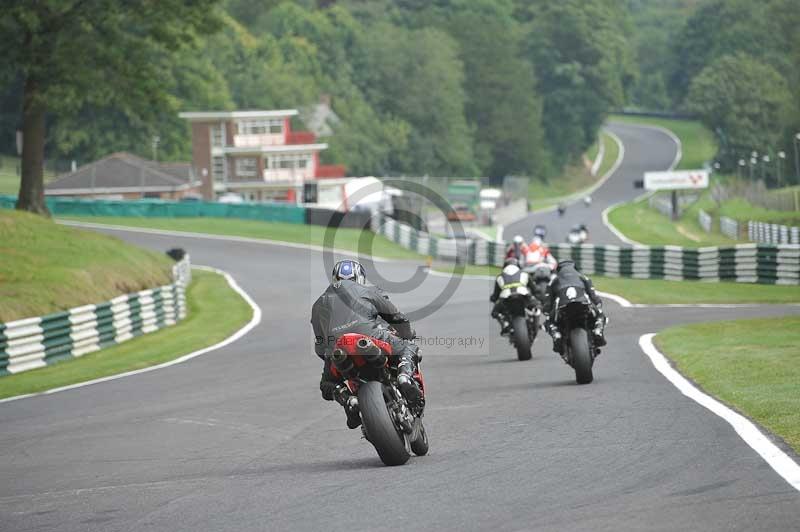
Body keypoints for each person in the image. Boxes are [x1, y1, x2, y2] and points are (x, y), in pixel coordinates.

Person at [311, 260, 421, 429]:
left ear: (334, 278)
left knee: (327, 384)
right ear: (360, 277)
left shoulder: (318, 304)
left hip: (338, 347)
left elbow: (320, 344)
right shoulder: (369, 291)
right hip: (370, 336)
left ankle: (349, 400)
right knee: (408, 348)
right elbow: (396, 316)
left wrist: (328, 358)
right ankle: (404, 376)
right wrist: (406, 334)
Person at [544, 260, 607, 352]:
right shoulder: (583, 277)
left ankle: (556, 334)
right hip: (583, 303)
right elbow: (593, 296)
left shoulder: (553, 281)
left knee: (548, 321)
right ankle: (598, 330)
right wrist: (598, 305)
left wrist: (546, 312)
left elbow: (548, 304)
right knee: (600, 315)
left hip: (563, 306)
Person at [490, 257, 537, 334]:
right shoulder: (525, 274)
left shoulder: (500, 277)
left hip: (506, 297)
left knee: (495, 312)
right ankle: (534, 320)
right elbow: (535, 289)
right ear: (518, 266)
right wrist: (535, 297)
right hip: (523, 295)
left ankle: (504, 323)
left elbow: (495, 295)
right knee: (536, 307)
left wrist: (493, 298)